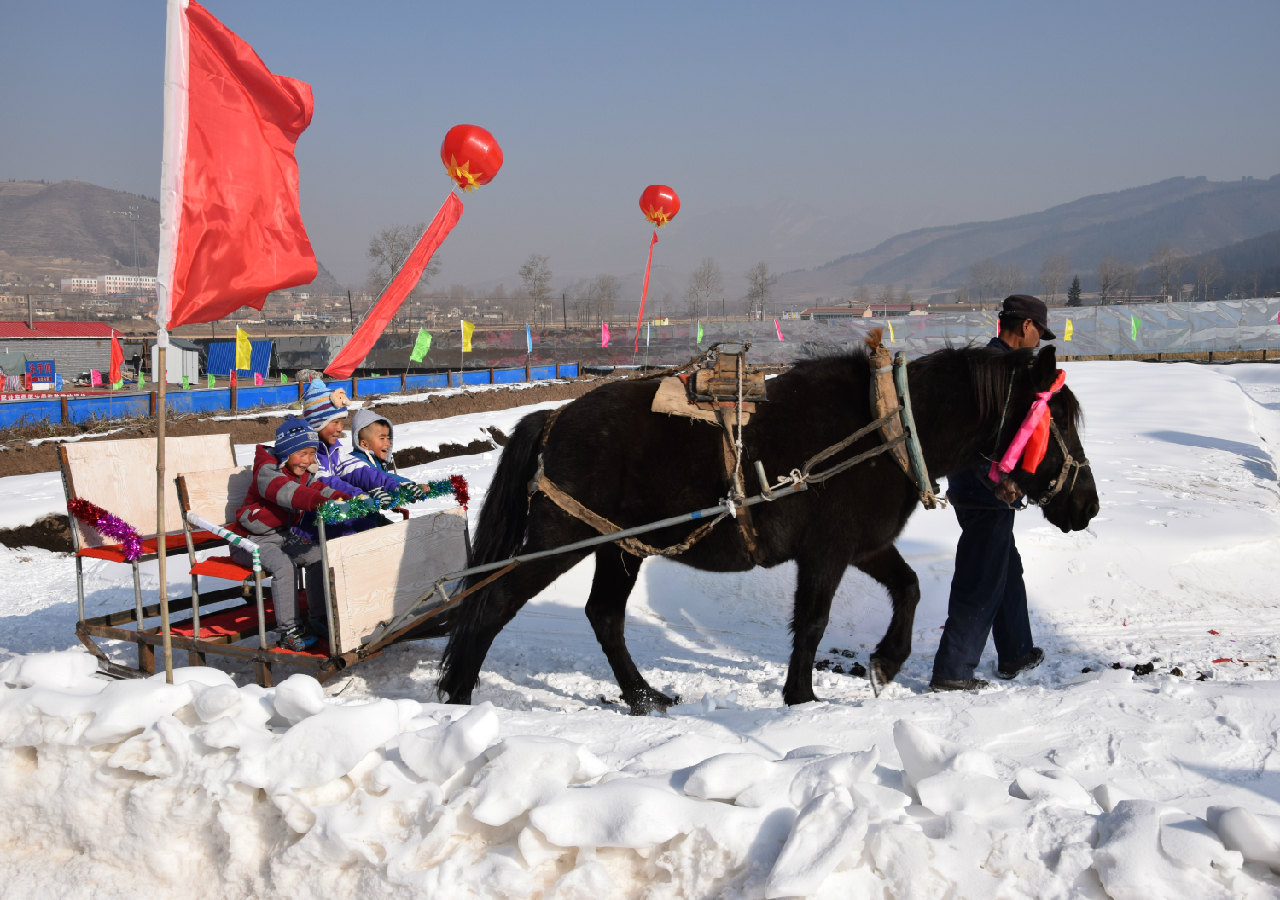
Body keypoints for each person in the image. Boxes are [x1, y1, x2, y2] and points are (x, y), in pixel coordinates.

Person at [930, 294, 1056, 692]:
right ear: (1026, 326)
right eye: (1039, 332)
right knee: (980, 577)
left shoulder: (986, 363)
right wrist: (1004, 480)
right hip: (986, 488)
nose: (1038, 342)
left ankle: (1017, 650)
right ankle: (953, 669)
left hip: (974, 484)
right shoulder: (1001, 369)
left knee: (1005, 566)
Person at [232, 417, 350, 651]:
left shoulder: (303, 474)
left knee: (317, 556)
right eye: (302, 453)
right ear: (286, 453)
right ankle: (288, 630)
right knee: (284, 566)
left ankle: (317, 617)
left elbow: (317, 489)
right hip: (249, 541)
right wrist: (318, 502)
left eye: (311, 454)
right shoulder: (267, 473)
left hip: (282, 537)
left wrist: (343, 499)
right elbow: (288, 492)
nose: (308, 460)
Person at [301, 376, 409, 533]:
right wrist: (360, 496)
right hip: (315, 522)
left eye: (342, 422)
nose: (340, 428)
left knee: (384, 531)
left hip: (339, 514)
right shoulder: (309, 455)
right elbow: (327, 482)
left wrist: (395, 486)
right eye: (334, 422)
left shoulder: (335, 450)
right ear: (317, 423)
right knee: (369, 531)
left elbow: (359, 470)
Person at [348, 408, 430, 499]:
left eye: (388, 438)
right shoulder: (356, 463)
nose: (387, 443)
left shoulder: (377, 462)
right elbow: (377, 478)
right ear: (364, 444)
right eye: (382, 438)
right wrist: (403, 485)